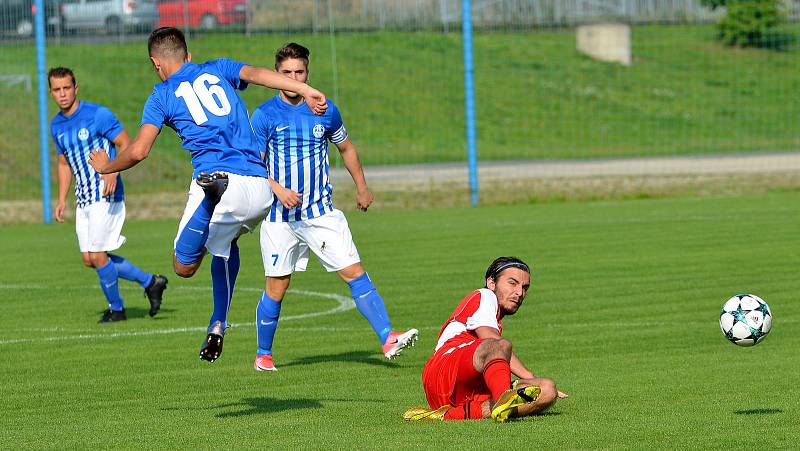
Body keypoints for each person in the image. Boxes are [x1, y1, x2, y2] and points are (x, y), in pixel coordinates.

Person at [88, 27, 328, 362]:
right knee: (226, 246)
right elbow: (258, 75)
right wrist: (304, 87)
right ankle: (219, 322)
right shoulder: (217, 67)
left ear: (156, 63)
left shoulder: (161, 95)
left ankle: (210, 200)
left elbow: (140, 150)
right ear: (188, 55)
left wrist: (107, 167)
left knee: (183, 265)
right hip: (259, 188)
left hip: (216, 179)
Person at [248, 43, 418, 372]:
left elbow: (347, 148)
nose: (293, 78)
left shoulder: (324, 109)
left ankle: (387, 337)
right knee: (276, 287)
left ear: (307, 74)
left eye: (299, 72)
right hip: (279, 219)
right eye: (286, 73)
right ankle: (263, 355)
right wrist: (278, 189)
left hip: (320, 214)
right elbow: (252, 164)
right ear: (277, 75)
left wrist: (362, 186)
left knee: (354, 272)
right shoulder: (265, 115)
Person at [48, 67, 168, 323]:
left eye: (67, 88)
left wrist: (112, 172)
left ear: (76, 88)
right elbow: (63, 163)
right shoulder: (56, 125)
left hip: (105, 193)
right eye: (57, 90)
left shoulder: (97, 115)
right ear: (51, 93)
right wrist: (60, 199)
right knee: (89, 259)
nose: (62, 94)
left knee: (98, 255)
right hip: (84, 198)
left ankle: (117, 309)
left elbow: (125, 143)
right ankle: (151, 282)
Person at [403, 257, 568, 422]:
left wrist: (532, 382)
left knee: (547, 390)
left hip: (467, 389)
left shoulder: (494, 315)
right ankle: (503, 399)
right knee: (499, 345)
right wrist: (528, 376)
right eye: (512, 283)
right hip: (444, 371)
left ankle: (446, 415)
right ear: (491, 283)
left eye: (525, 287)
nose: (519, 292)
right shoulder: (484, 295)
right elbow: (491, 341)